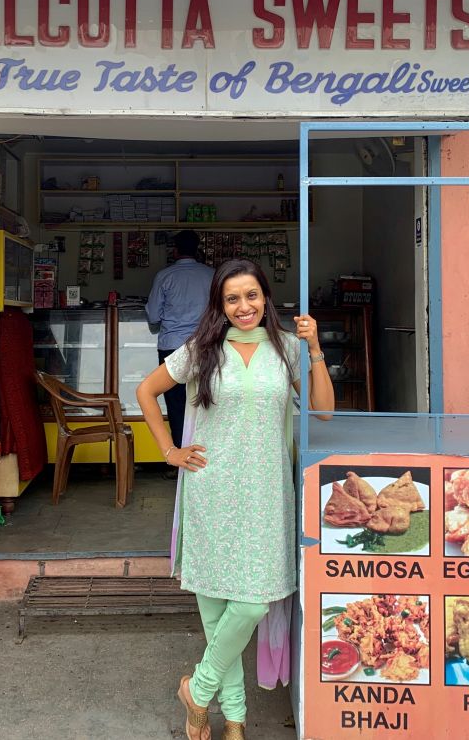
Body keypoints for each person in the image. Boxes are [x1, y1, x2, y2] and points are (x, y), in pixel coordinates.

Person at [136, 259, 334, 740]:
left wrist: (314, 349)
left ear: (265, 298)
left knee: (250, 606)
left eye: (251, 296)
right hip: (212, 490)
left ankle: (197, 692)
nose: (243, 307)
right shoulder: (201, 351)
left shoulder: (287, 348)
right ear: (219, 306)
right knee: (215, 613)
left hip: (267, 495)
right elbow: (146, 391)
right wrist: (170, 451)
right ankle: (235, 722)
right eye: (232, 299)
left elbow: (324, 411)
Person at [146, 229, 214, 451]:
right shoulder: (212, 275)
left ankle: (179, 459)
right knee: (207, 401)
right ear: (197, 250)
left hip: (172, 346)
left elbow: (154, 315)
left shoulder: (165, 276)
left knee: (176, 405)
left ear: (175, 251)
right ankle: (206, 454)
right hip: (206, 345)